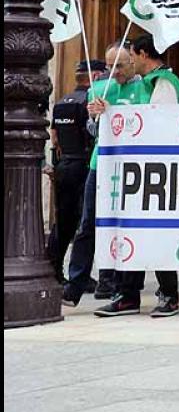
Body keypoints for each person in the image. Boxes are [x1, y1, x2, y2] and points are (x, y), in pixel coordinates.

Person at [96, 34, 179, 318]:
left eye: (132, 56)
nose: (130, 61)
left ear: (144, 54)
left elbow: (159, 123)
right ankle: (127, 294)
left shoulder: (165, 83)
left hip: (158, 168)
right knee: (130, 230)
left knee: (158, 232)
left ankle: (169, 295)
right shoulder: (144, 84)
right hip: (135, 167)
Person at [62, 42, 144, 307]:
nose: (113, 72)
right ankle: (74, 286)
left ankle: (120, 286)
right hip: (101, 164)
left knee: (127, 226)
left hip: (133, 166)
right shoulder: (98, 88)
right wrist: (95, 118)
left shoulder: (144, 88)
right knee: (87, 225)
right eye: (109, 66)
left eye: (119, 66)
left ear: (132, 62)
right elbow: (92, 131)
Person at [48, 59, 105, 284]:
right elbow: (95, 133)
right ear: (97, 76)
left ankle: (54, 266)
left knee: (63, 220)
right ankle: (82, 277)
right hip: (84, 165)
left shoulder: (62, 102)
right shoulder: (89, 102)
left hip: (65, 165)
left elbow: (54, 136)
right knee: (85, 222)